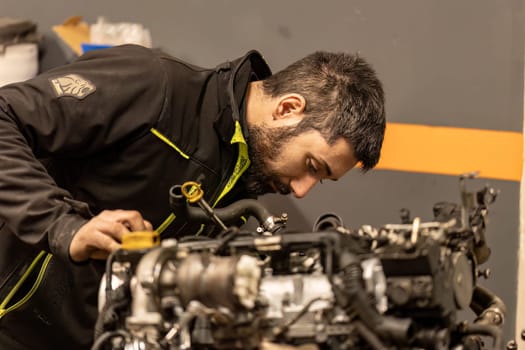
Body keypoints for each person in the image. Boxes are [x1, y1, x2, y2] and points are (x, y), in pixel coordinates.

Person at [0, 44, 385, 349]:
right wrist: (63, 227)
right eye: (312, 165)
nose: (302, 190)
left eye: (321, 180)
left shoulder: (241, 184)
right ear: (287, 109)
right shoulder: (154, 86)